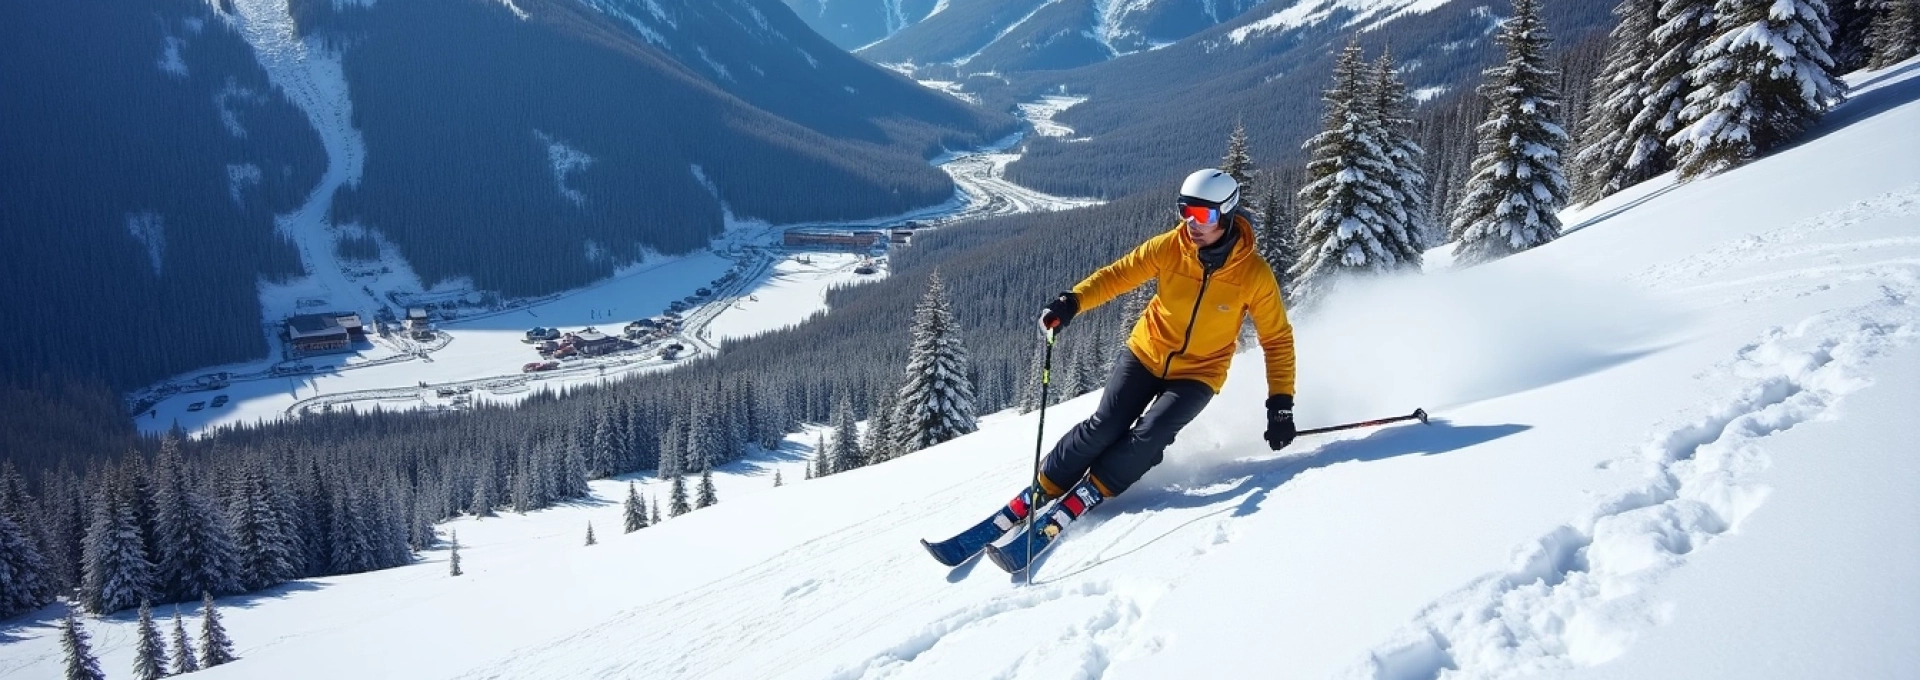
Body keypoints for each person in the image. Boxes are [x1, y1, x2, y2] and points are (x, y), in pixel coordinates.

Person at [1024, 168, 1298, 534]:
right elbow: (1118, 275)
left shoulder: (1253, 274)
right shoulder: (1171, 247)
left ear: (1228, 214)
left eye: (1203, 215)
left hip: (1199, 373)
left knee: (1148, 436)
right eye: (1185, 210)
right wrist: (1072, 302)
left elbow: (1277, 339)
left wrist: (1280, 403)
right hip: (1146, 352)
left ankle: (1097, 487)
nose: (1191, 223)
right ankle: (1047, 484)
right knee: (1105, 425)